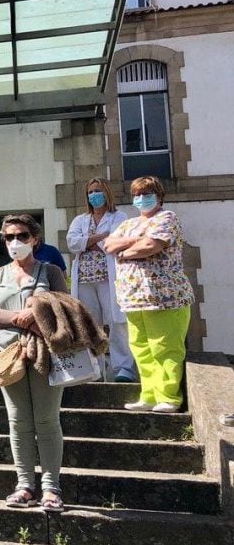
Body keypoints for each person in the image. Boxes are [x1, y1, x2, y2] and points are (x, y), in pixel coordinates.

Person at [0, 214, 69, 512]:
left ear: (34, 239)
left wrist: (36, 315)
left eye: (21, 235)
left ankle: (51, 488)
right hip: (8, 353)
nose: (15, 241)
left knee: (46, 419)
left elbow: (65, 306)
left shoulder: (51, 271)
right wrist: (19, 317)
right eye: (9, 237)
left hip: (45, 351)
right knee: (18, 420)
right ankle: (24, 485)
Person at [104, 176, 195, 413]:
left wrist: (125, 252)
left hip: (165, 297)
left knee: (165, 347)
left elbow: (151, 246)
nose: (141, 198)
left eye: (146, 194)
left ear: (159, 196)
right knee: (141, 348)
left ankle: (169, 397)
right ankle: (149, 395)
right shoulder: (129, 224)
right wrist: (138, 239)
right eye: (137, 195)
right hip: (133, 298)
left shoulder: (167, 217)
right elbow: (109, 245)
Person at [66, 177, 135, 383]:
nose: (94, 195)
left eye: (98, 190)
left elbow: (116, 242)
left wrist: (88, 242)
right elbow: (72, 243)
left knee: (116, 321)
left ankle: (123, 368)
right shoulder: (80, 220)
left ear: (107, 192)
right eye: (90, 192)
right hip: (85, 279)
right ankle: (95, 368)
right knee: (90, 324)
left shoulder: (119, 217)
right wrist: (100, 237)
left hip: (109, 278)